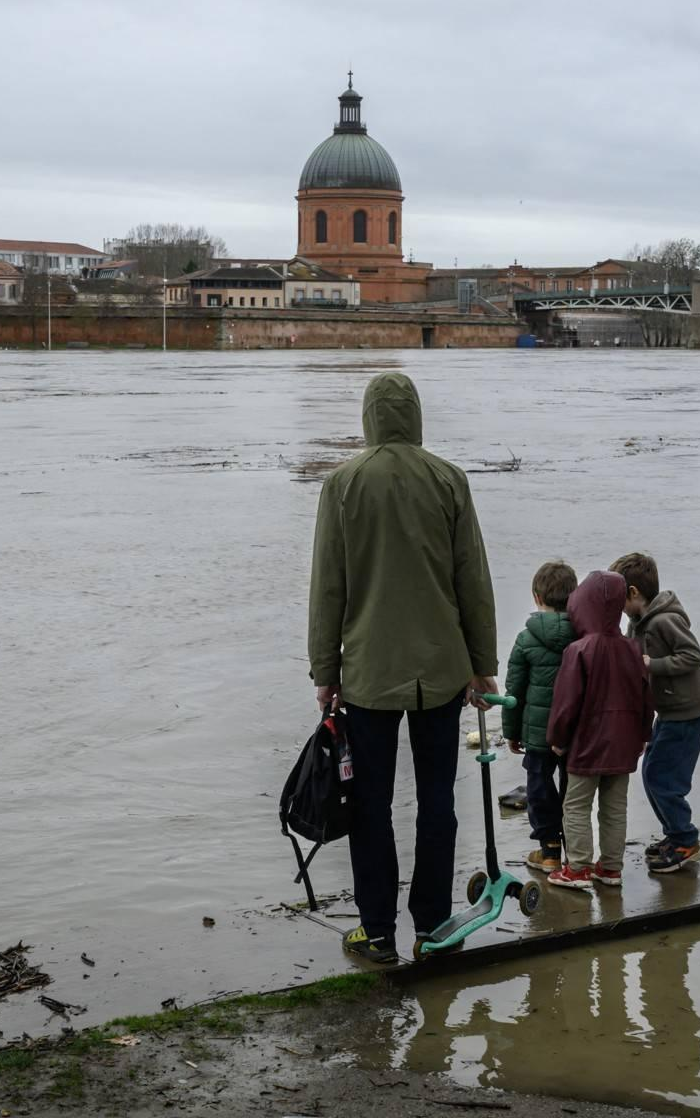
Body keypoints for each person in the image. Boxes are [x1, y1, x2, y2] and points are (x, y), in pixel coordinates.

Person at [308, 372, 498, 963]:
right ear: (415, 415)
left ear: (368, 418)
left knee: (372, 805)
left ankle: (378, 930)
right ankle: (434, 925)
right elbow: (473, 579)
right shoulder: (450, 480)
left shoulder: (343, 484)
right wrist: (482, 664)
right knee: (438, 800)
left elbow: (328, 587)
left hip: (368, 674)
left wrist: (324, 671)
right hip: (442, 670)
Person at [544, 570, 652, 890]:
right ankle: (611, 868)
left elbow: (566, 704)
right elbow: (648, 698)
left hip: (587, 744)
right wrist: (644, 735)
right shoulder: (632, 649)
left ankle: (577, 868)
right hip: (623, 743)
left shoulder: (579, 650)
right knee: (615, 807)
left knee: (576, 805)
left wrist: (558, 740)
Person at [610, 552, 700, 873]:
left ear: (634, 593)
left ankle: (687, 841)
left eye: (619, 598)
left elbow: (694, 655)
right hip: (667, 712)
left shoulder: (666, 620)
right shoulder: (636, 623)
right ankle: (675, 835)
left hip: (688, 712)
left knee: (663, 779)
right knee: (652, 773)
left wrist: (653, 664)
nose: (617, 606)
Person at [502, 560, 578, 873]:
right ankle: (577, 850)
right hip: (574, 731)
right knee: (573, 788)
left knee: (538, 785)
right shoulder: (582, 636)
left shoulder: (526, 639)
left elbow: (513, 691)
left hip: (537, 732)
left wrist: (511, 732)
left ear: (536, 597)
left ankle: (548, 851)